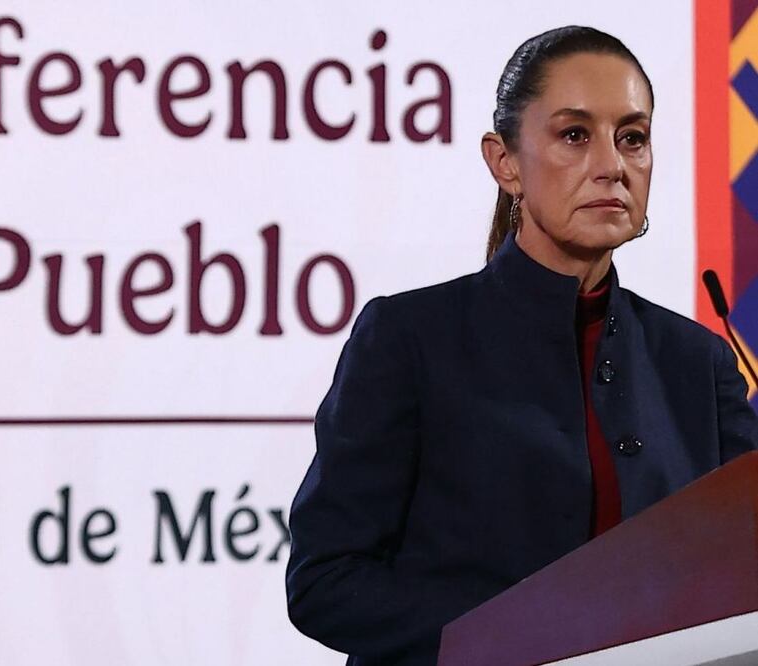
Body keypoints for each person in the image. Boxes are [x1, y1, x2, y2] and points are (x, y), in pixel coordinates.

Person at [284, 25, 758, 666]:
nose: (612, 166)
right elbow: (326, 582)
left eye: (633, 138)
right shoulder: (408, 339)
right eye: (574, 135)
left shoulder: (699, 362)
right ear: (505, 162)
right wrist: (527, 631)